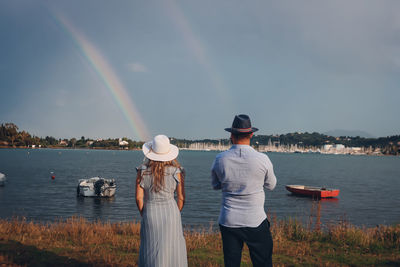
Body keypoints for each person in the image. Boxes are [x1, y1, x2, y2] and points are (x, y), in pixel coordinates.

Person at [211, 114, 277, 267]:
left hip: (229, 219)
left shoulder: (220, 159)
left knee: (231, 263)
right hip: (255, 220)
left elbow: (215, 186)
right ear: (251, 134)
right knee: (263, 262)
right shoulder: (263, 159)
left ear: (231, 135)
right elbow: (271, 185)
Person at [136, 134, 187, 267]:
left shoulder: (142, 171)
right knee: (173, 250)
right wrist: (176, 211)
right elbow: (181, 198)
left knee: (150, 249)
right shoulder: (177, 171)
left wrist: (144, 212)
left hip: (151, 212)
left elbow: (138, 197)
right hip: (172, 213)